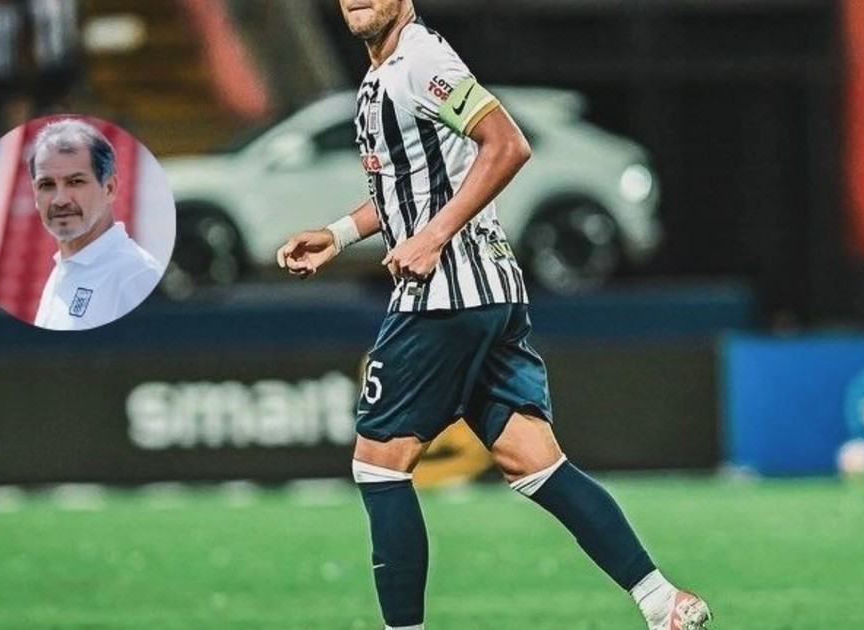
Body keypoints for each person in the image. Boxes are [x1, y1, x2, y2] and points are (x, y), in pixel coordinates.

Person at [275, 2, 711, 628]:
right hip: (490, 293)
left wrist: (433, 237)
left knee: (378, 463)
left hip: (445, 295)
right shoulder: (385, 72)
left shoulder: (421, 60)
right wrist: (338, 235)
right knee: (535, 462)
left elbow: (507, 143)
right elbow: (407, 187)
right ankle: (663, 601)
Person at [30, 118, 162, 330]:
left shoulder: (135, 275)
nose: (60, 200)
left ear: (109, 188)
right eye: (47, 184)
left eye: (75, 182)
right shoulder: (62, 270)